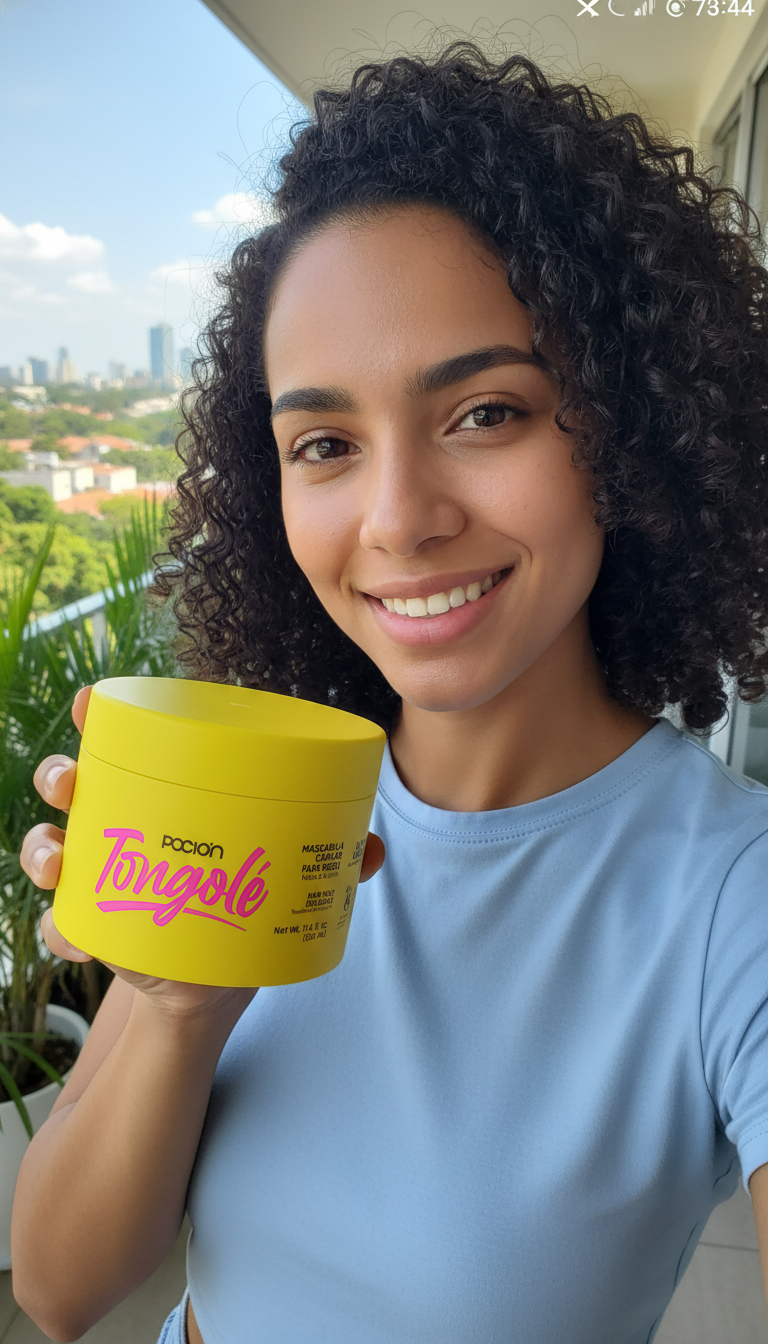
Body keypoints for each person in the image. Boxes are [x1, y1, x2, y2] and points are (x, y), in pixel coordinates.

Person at [10, 40, 768, 1344]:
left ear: (630, 429)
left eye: (487, 413)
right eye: (325, 444)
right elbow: (65, 1293)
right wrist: (180, 1003)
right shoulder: (263, 810)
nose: (399, 520)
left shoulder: (726, 898)